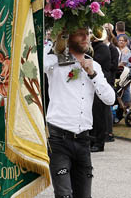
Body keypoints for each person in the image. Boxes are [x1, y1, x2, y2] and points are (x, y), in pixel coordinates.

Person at [45, 28, 115, 198]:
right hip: (58, 139)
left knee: (84, 195)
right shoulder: (52, 61)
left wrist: (92, 74)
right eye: (81, 34)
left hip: (83, 140)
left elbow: (110, 99)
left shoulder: (94, 65)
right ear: (68, 36)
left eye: (87, 34)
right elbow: (30, 63)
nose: (86, 38)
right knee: (64, 195)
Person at [90, 31, 112, 152]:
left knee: (99, 114)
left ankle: (99, 142)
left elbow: (95, 62)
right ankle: (92, 140)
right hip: (93, 82)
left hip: (101, 82)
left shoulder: (102, 47)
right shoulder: (94, 47)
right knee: (93, 113)